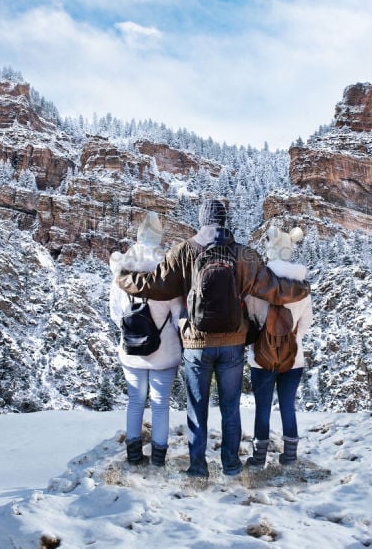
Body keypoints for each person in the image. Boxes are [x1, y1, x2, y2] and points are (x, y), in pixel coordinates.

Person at [115, 199, 310, 477]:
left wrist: (122, 277)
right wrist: (302, 288)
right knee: (231, 407)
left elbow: (154, 285)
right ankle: (230, 464)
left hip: (196, 343)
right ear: (225, 221)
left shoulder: (182, 251)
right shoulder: (244, 255)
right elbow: (274, 290)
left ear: (201, 220)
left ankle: (198, 468)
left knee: (197, 406)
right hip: (232, 343)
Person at [109, 212, 184, 467]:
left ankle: (133, 455)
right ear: (159, 237)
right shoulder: (167, 273)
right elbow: (178, 317)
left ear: (139, 237)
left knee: (135, 402)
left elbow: (115, 313)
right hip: (164, 353)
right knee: (161, 405)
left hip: (131, 352)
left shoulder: (122, 272)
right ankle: (159, 459)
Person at [244, 226, 313, 468]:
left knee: (262, 408)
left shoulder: (258, 285)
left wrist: (263, 339)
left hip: (261, 359)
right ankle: (290, 456)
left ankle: (259, 457)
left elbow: (249, 317)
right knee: (287, 406)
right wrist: (291, 339)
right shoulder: (302, 287)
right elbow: (307, 322)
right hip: (293, 359)